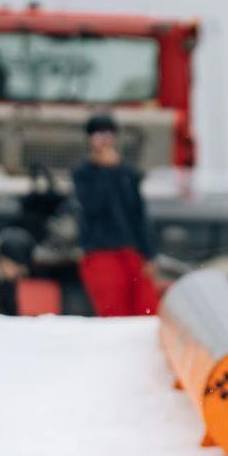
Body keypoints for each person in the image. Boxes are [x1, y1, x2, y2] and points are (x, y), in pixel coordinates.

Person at [72, 111, 159, 317]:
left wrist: (149, 254)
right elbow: (92, 206)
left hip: (130, 250)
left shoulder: (128, 173)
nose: (103, 140)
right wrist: (105, 171)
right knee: (113, 309)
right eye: (98, 135)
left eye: (107, 134)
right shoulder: (84, 173)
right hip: (100, 250)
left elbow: (138, 214)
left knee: (145, 308)